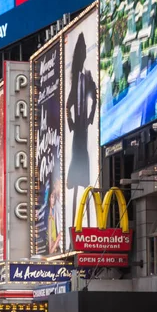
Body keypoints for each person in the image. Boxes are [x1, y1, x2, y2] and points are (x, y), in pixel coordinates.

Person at [66, 31, 97, 229]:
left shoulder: (87, 76)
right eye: (82, 50)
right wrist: (72, 123)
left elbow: (95, 97)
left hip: (83, 129)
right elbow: (68, 104)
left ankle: (84, 224)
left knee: (82, 168)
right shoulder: (76, 78)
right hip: (78, 130)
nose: (84, 53)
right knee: (76, 164)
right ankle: (74, 225)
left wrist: (90, 118)